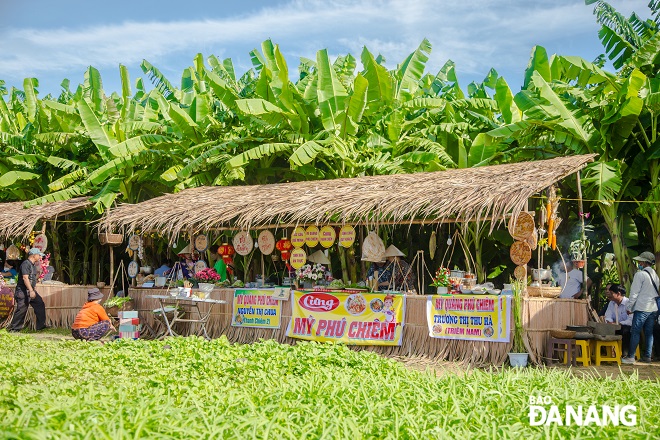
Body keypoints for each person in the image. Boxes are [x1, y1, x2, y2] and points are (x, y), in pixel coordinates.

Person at [622, 251, 659, 364]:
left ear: (643, 262)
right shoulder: (655, 275)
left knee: (635, 331)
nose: (638, 262)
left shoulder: (640, 274)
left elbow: (634, 293)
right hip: (653, 308)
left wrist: (629, 307)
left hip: (642, 307)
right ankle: (647, 356)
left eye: (640, 261)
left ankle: (631, 356)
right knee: (649, 333)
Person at [9, 248, 48, 332]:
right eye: (38, 255)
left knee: (40, 304)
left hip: (30, 290)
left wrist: (40, 275)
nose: (39, 257)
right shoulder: (26, 264)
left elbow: (32, 278)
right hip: (23, 291)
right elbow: (25, 278)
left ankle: (40, 325)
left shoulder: (32, 265)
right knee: (22, 309)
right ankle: (14, 328)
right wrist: (31, 291)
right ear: (34, 255)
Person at [604, 284, 632, 357]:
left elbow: (630, 321)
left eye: (612, 293)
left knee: (626, 331)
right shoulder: (611, 303)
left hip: (627, 327)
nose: (610, 295)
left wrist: (618, 323)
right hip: (614, 326)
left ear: (618, 294)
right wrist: (609, 322)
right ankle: (609, 354)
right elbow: (608, 316)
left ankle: (625, 354)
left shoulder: (629, 303)